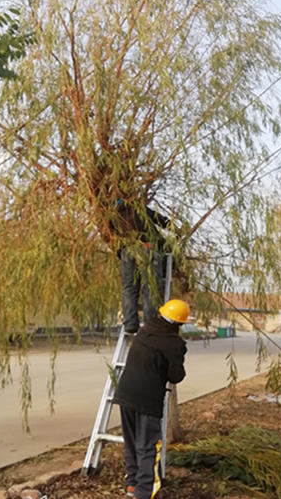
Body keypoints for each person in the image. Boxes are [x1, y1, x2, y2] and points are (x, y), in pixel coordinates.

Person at [113, 299, 189, 499]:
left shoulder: (144, 330)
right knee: (148, 446)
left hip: (125, 394)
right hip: (148, 400)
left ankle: (132, 485)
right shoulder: (174, 343)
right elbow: (176, 376)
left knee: (131, 442)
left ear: (162, 314)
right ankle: (144, 492)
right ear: (179, 323)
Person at [112, 200, 172, 333]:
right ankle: (149, 324)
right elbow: (161, 221)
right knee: (149, 288)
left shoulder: (114, 215)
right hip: (147, 249)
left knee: (129, 288)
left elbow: (112, 236)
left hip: (127, 252)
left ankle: (130, 324)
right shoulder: (140, 209)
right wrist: (177, 230)